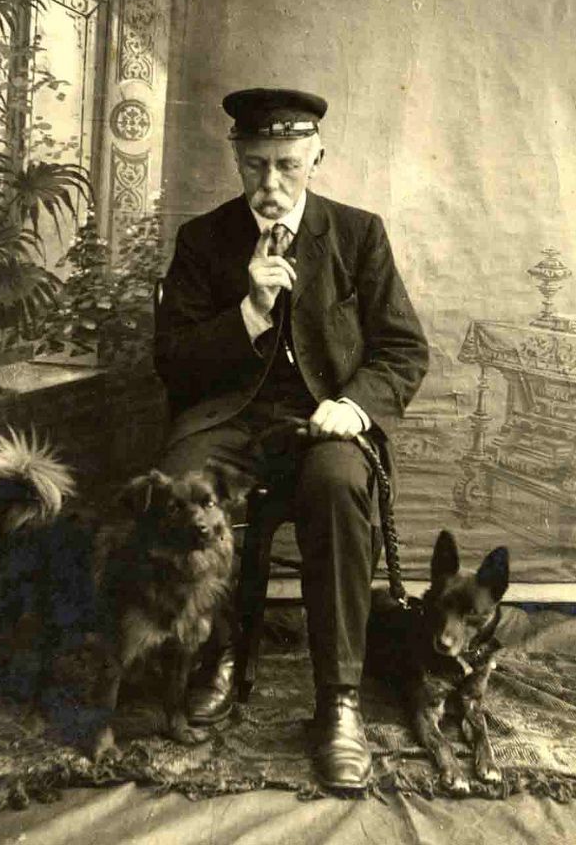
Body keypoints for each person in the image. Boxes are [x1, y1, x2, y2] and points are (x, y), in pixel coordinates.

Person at [155, 87, 429, 791]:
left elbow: (403, 349)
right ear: (237, 159)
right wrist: (249, 309)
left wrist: (354, 407)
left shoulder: (358, 234)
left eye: (287, 165)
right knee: (183, 486)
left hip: (321, 421)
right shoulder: (203, 240)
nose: (270, 183)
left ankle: (338, 701)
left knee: (338, 484)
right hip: (228, 421)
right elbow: (173, 362)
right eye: (255, 165)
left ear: (317, 158)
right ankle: (216, 656)